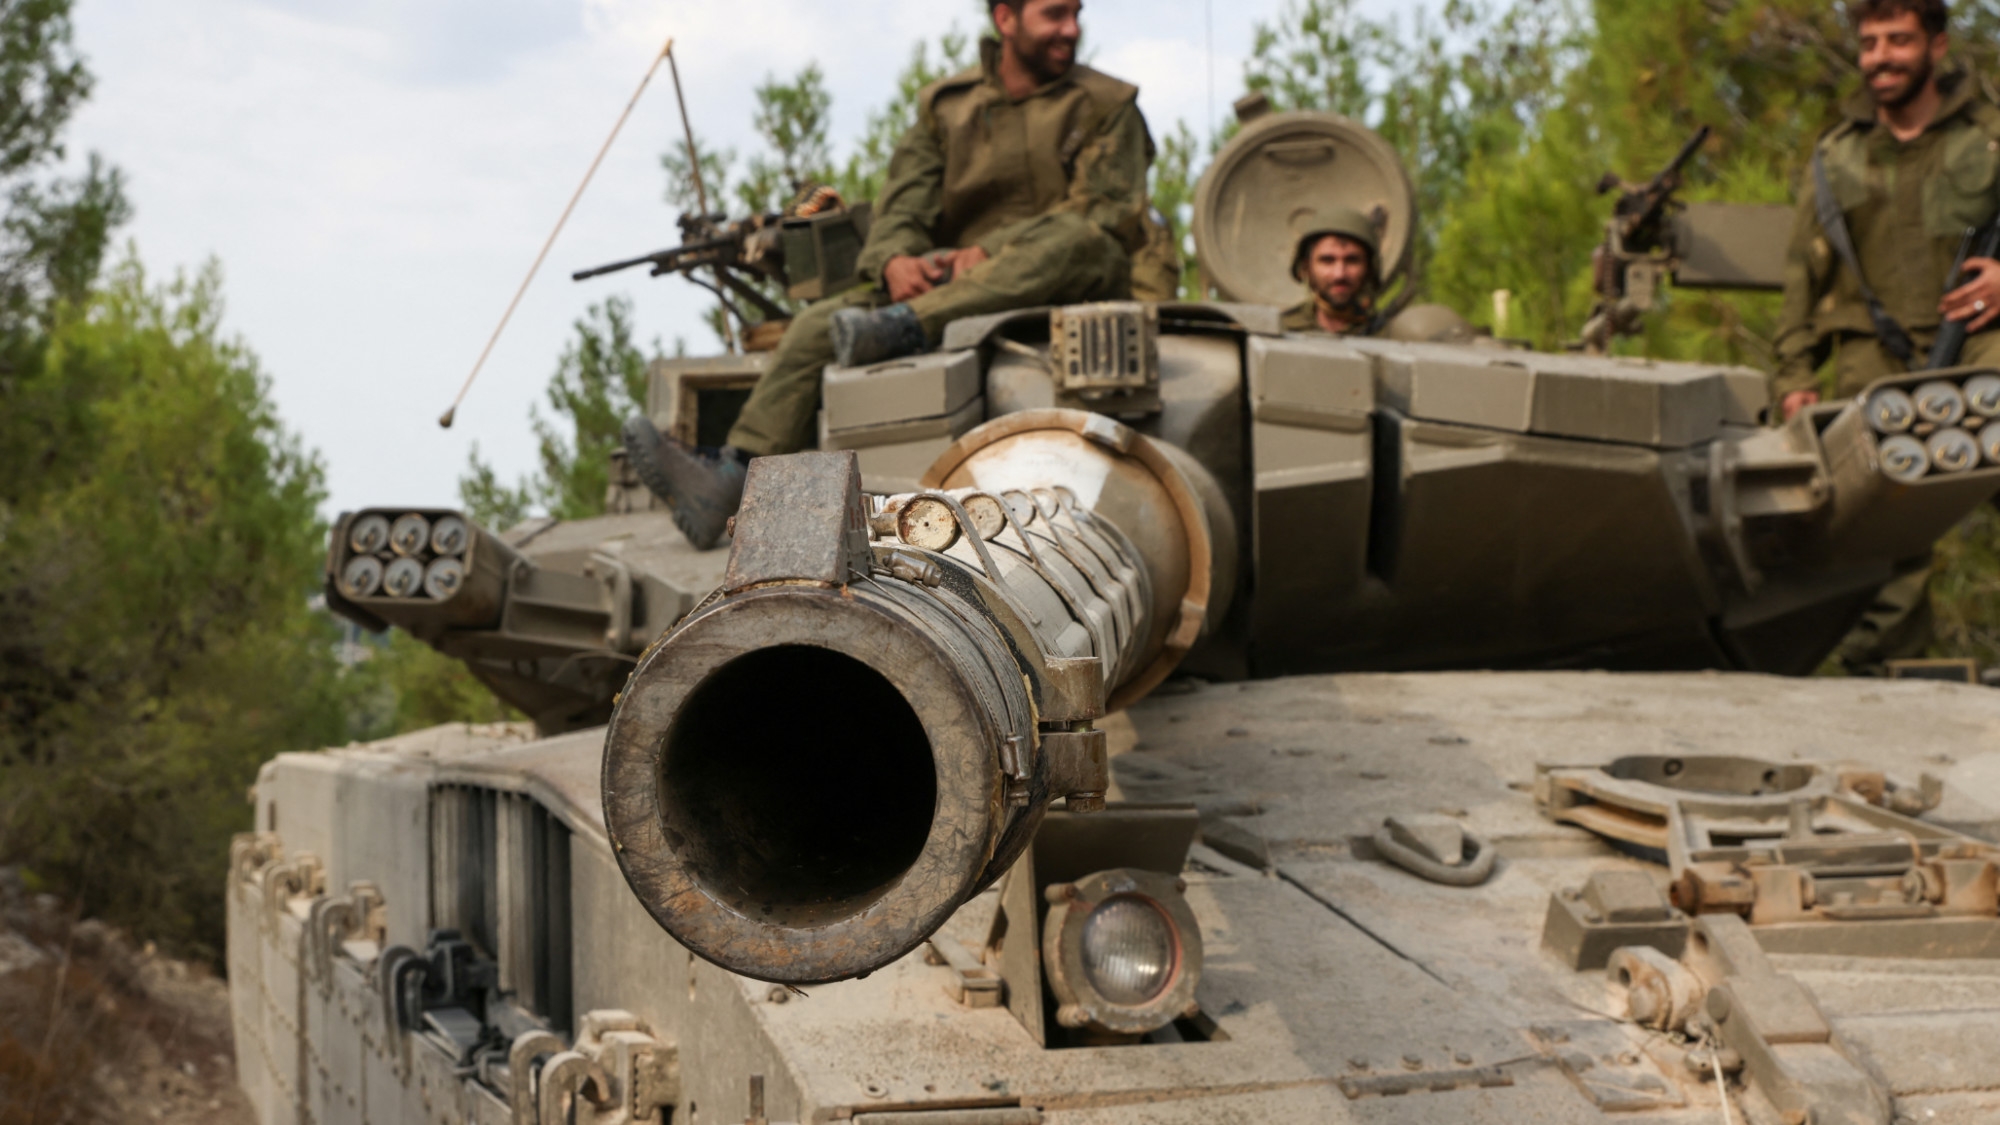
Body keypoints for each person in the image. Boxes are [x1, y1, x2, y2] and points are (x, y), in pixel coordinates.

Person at [623, 0, 1152, 549]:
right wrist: (896, 261)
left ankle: (904, 327)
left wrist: (987, 252)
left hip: (1064, 282)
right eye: (1054, 15)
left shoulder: (1105, 104)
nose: (1071, 29)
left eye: (1075, 14)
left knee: (1082, 240)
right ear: (1006, 19)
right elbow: (902, 205)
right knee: (815, 329)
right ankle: (726, 480)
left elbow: (1104, 208)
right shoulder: (948, 109)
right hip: (951, 285)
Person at [1770, 0, 2000, 670]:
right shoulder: (1836, 156)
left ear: (1935, 45)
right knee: (1876, 513)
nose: (1881, 58)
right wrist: (1793, 379)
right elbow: (1799, 281)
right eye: (1870, 43)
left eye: (1898, 40)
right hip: (1874, 356)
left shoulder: (1988, 137)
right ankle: (1881, 674)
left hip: (1979, 337)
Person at [1280, 208, 1384, 336]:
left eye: (1352, 260)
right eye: (1327, 260)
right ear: (1306, 267)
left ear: (1369, 268)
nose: (1339, 274)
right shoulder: (1280, 329)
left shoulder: (1388, 334)